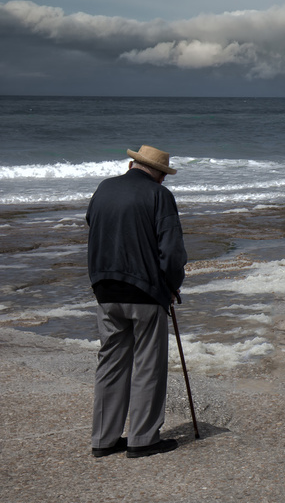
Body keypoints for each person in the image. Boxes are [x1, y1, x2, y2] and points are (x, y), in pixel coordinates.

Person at [86, 144, 188, 459]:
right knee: (148, 365)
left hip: (105, 287)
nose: (164, 180)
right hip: (145, 291)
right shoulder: (160, 195)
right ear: (158, 175)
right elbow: (172, 251)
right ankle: (142, 440)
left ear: (132, 165)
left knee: (110, 364)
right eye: (164, 175)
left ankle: (103, 439)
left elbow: (93, 224)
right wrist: (172, 285)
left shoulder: (104, 188)